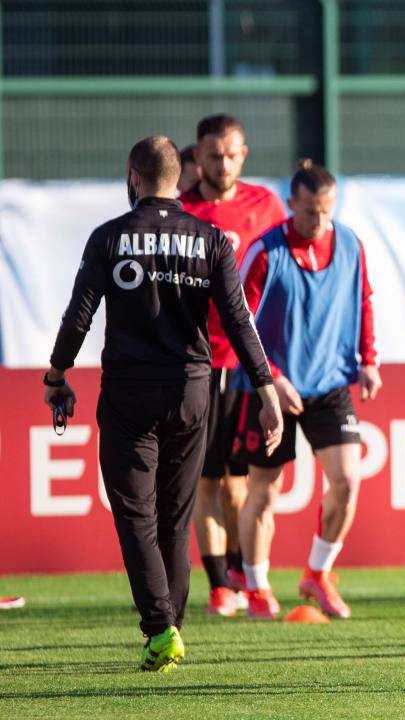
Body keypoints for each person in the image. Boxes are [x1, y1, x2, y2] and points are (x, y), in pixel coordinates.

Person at [42, 135, 283, 671]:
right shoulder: (213, 239)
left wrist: (57, 375)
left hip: (130, 390)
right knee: (175, 516)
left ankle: (160, 628)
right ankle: (171, 627)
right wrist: (266, 390)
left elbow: (77, 318)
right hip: (194, 389)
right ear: (183, 174)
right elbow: (238, 321)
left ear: (133, 177)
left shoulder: (109, 238)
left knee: (135, 514)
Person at [233, 160, 382, 620]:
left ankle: (317, 574)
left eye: (326, 211)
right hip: (269, 390)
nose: (319, 221)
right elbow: (241, 324)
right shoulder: (266, 251)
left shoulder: (351, 244)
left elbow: (364, 301)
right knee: (264, 491)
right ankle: (257, 587)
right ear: (292, 203)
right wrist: (272, 378)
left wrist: (369, 361)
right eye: (309, 212)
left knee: (347, 482)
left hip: (331, 383)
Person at [180, 114, 288, 617]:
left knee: (240, 480)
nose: (222, 164)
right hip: (198, 363)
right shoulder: (179, 213)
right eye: (212, 155)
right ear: (196, 157)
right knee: (205, 479)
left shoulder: (265, 205)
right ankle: (220, 583)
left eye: (231, 154)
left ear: (243, 154)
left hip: (250, 364)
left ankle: (246, 571)